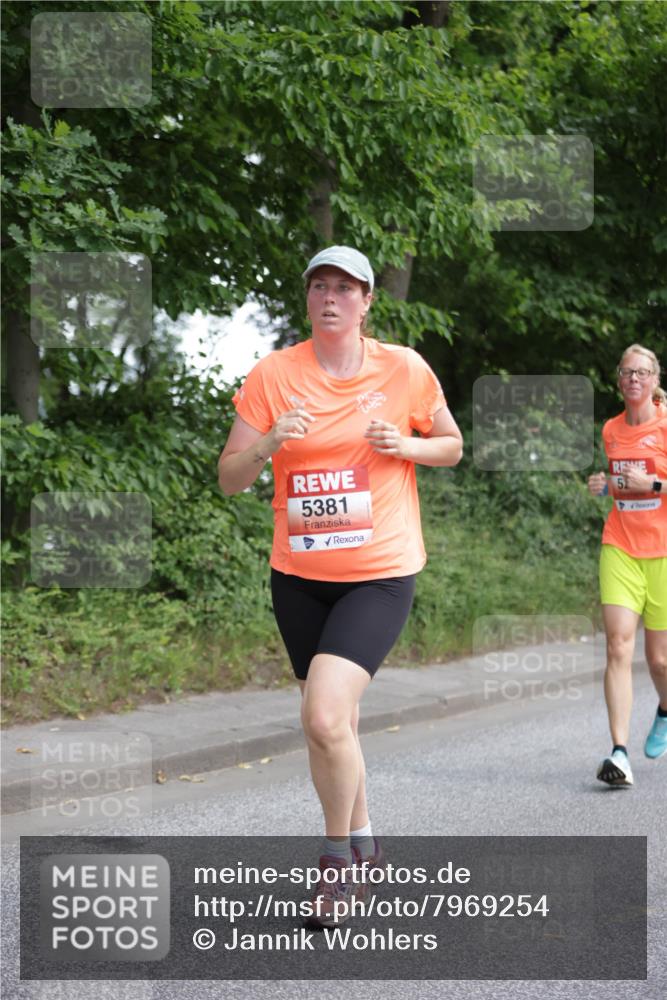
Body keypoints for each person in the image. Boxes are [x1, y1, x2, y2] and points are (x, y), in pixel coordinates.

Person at [218, 245, 463, 924]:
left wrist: (404, 446)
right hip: (298, 577)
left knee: (323, 716)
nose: (330, 298)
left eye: (345, 288)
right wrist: (267, 442)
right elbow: (229, 477)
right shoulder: (273, 375)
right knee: (338, 725)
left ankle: (334, 864)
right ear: (307, 299)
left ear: (366, 302)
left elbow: (451, 445)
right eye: (319, 286)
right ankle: (364, 844)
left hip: (379, 574)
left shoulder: (403, 369)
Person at [587, 344, 667, 787]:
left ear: (655, 380)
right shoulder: (611, 430)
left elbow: (651, 484)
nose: (634, 379)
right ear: (619, 381)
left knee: (660, 662)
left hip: (665, 553)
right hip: (620, 545)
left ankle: (665, 708)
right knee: (618, 646)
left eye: (642, 372)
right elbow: (622, 485)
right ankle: (619, 751)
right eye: (626, 372)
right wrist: (605, 485)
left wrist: (652, 481)